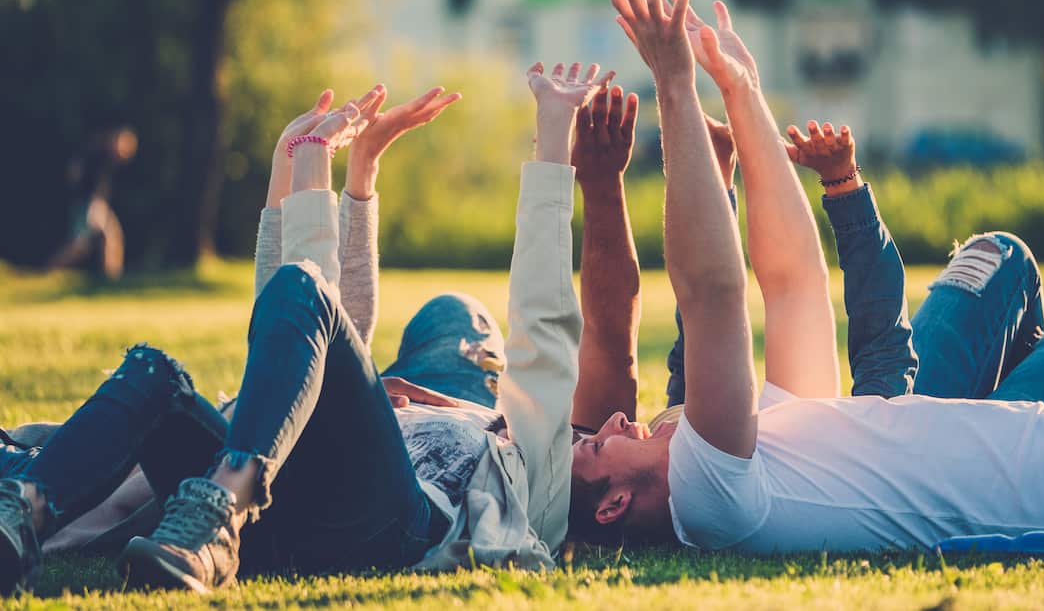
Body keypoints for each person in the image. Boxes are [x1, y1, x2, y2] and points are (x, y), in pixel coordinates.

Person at [571, 0, 1044, 554]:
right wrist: (672, 83)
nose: (611, 422)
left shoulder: (771, 445)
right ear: (613, 505)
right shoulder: (714, 498)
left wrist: (742, 89)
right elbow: (712, 293)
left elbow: (792, 283)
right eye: (599, 447)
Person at [0, 64, 603, 595]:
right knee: (152, 371)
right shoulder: (415, 403)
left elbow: (542, 327)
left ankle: (218, 512)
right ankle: (22, 514)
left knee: (313, 291)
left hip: (383, 525)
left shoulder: (526, 465)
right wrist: (303, 169)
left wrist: (555, 140)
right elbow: (285, 339)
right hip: (275, 514)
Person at [47, 127, 137, 280]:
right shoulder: (95, 153)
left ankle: (111, 278)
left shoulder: (107, 159)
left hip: (97, 204)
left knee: (110, 238)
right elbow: (75, 174)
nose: (125, 153)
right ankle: (49, 270)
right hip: (89, 204)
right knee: (81, 246)